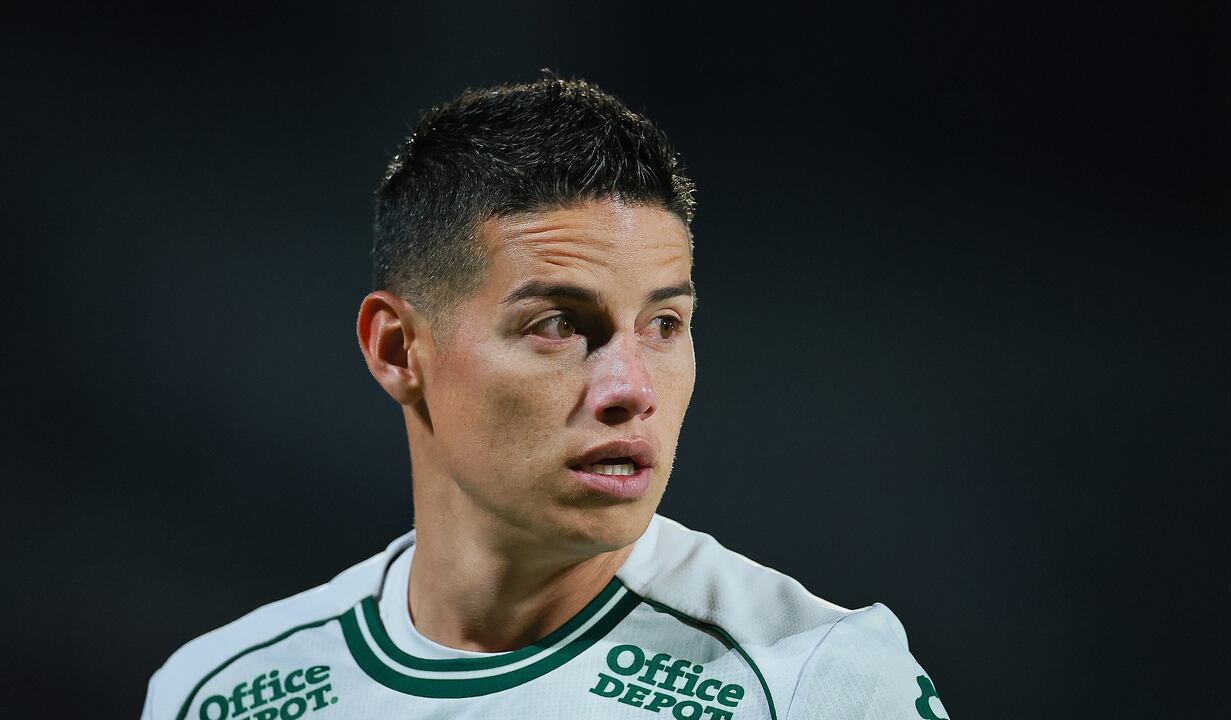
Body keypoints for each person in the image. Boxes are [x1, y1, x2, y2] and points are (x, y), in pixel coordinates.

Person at [141, 76, 950, 720]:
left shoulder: (817, 682)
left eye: (665, 323)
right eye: (561, 324)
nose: (632, 389)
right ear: (397, 350)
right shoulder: (219, 694)